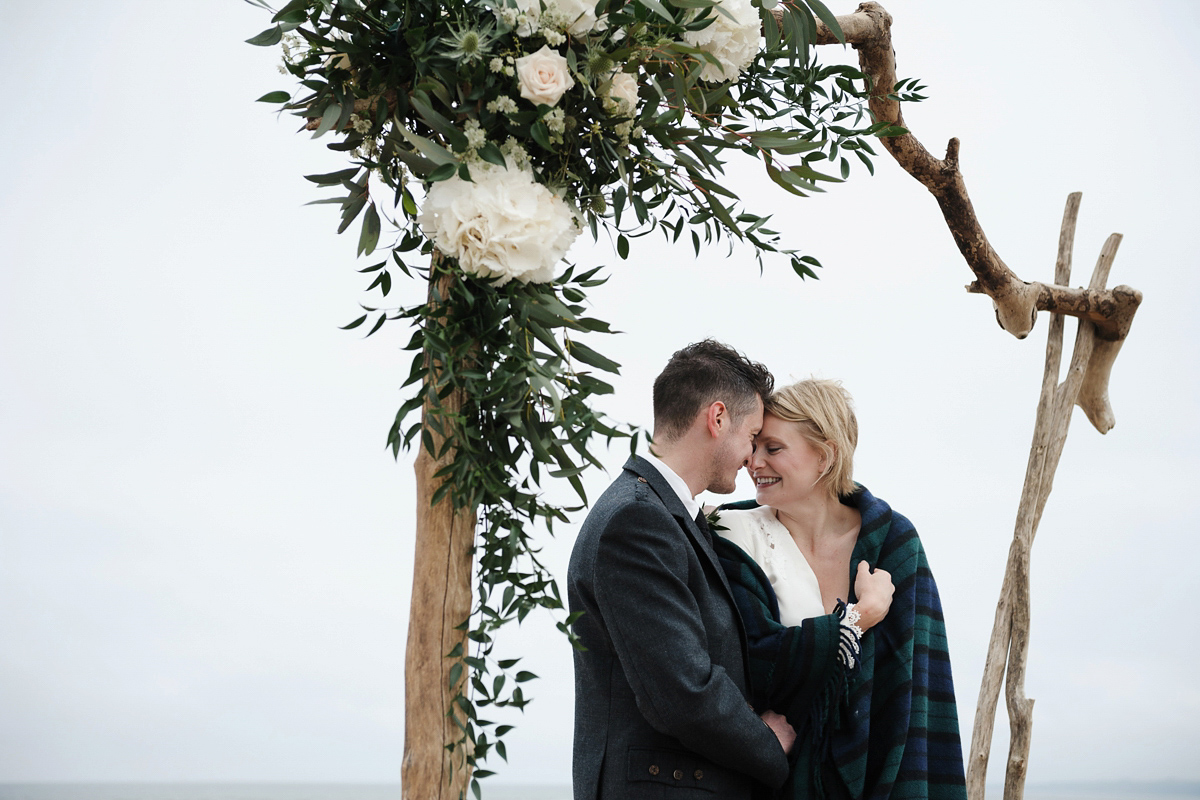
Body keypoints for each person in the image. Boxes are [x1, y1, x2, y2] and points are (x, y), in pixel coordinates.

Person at [714, 378, 968, 800]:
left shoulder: (893, 542)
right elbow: (748, 664)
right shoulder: (730, 534)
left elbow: (915, 687)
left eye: (773, 448)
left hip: (879, 776)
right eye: (754, 445)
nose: (752, 461)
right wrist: (858, 617)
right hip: (764, 775)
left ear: (826, 456)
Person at [568, 340, 796, 800]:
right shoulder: (636, 522)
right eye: (752, 438)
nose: (753, 459)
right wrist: (768, 746)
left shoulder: (662, 514)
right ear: (717, 419)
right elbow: (681, 692)